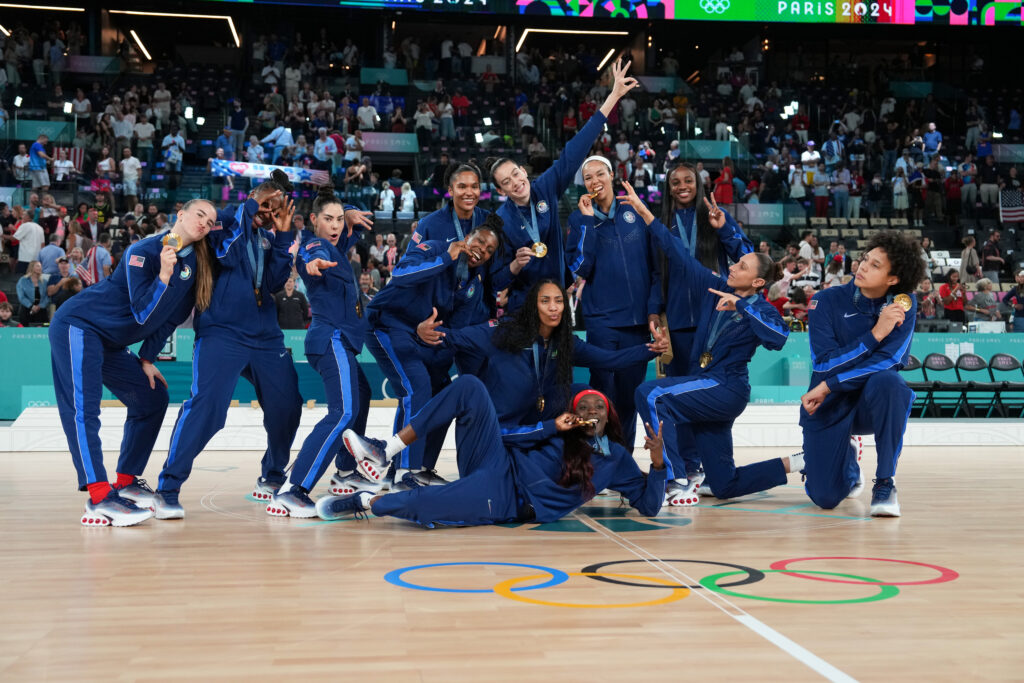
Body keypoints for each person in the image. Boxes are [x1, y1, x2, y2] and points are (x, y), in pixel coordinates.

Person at [618, 181, 792, 506]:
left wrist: (740, 305)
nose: (733, 266)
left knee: (650, 393)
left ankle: (676, 479)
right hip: (709, 386)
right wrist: (643, 211)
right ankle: (798, 462)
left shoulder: (760, 308)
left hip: (726, 387)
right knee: (724, 484)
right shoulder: (713, 286)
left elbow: (779, 338)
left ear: (756, 282)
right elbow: (677, 253)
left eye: (740, 266)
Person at [152, 173, 312, 518]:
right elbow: (224, 253)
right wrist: (254, 205)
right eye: (266, 204)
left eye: (276, 209)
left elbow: (270, 283)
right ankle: (168, 487)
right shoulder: (223, 220)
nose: (269, 213)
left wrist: (283, 236)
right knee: (207, 409)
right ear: (253, 198)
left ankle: (272, 477)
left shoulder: (266, 239)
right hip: (222, 333)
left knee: (288, 405)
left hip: (266, 336)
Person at [48, 199, 216, 526]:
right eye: (199, 215)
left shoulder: (193, 265)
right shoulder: (143, 251)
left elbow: (168, 320)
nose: (204, 224)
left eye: (210, 222)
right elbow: (142, 310)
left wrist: (148, 358)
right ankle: (99, 497)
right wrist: (164, 275)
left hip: (111, 342)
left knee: (152, 398)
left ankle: (126, 481)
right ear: (180, 214)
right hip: (79, 327)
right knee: (84, 408)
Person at [316, 377, 666, 526]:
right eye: (584, 407)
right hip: (496, 460)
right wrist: (550, 427)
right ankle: (386, 449)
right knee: (469, 385)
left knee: (423, 505)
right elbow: (505, 437)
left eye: (598, 407)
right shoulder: (558, 430)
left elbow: (649, 507)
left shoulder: (616, 458)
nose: (591, 412)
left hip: (508, 498)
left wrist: (658, 462)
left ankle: (364, 502)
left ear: (609, 415)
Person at [364, 214, 503, 490]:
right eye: (480, 242)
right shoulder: (438, 247)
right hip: (385, 325)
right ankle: (404, 472)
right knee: (416, 389)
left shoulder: (473, 284)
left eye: (489, 251)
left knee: (442, 393)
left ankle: (420, 468)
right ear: (468, 238)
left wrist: (433, 336)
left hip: (417, 337)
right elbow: (401, 274)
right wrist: (446, 259)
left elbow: (453, 328)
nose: (482, 251)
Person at [489, 59, 638, 314]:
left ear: (524, 171)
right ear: (501, 191)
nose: (516, 183)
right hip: (523, 308)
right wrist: (514, 266)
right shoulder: (501, 221)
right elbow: (496, 281)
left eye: (516, 174)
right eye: (506, 182)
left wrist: (612, 96)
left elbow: (576, 149)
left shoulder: (544, 188)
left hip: (557, 304)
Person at [798, 231, 926, 517]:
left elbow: (889, 360)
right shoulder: (824, 301)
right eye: (865, 259)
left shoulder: (904, 304)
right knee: (825, 497)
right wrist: (876, 332)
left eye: (875, 265)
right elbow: (824, 364)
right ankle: (848, 461)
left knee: (891, 382)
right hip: (827, 404)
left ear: (893, 279)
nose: (863, 266)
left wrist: (828, 385)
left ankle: (884, 483)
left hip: (868, 402)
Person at [266, 185, 374, 516]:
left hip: (340, 340)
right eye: (328, 218)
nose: (336, 224)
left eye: (340, 218)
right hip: (331, 339)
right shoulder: (317, 245)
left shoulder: (337, 244)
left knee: (363, 395)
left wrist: (351, 211)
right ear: (314, 220)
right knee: (342, 412)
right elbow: (312, 255)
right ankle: (293, 489)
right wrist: (311, 264)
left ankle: (344, 470)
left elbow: (344, 230)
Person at [565, 155, 659, 448]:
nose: (595, 181)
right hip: (602, 322)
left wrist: (654, 310)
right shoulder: (579, 218)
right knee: (600, 396)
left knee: (630, 397)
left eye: (600, 174)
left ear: (611, 176)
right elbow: (581, 268)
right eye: (588, 177)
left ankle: (623, 459)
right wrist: (587, 222)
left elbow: (656, 265)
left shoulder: (635, 209)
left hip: (638, 322)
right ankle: (598, 458)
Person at [17, 261, 50, 325]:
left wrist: (41, 305)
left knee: (45, 325)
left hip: (41, 309)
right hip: (27, 308)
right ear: (32, 267)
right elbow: (21, 297)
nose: (40, 268)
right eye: (38, 266)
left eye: (40, 266)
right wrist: (31, 306)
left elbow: (47, 296)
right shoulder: (23, 280)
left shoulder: (44, 282)